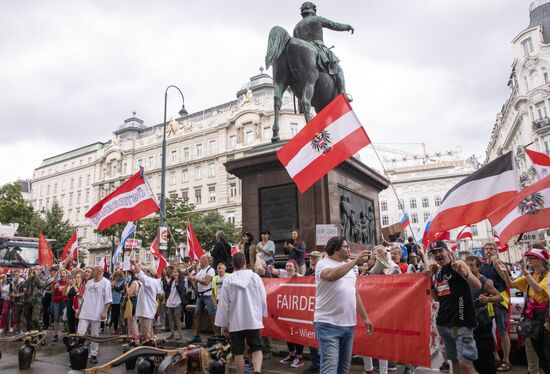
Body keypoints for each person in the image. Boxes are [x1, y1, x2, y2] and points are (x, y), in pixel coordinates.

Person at [314, 236, 373, 374]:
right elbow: (331, 276)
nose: (349, 249)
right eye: (346, 246)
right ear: (336, 248)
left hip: (348, 325)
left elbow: (355, 293)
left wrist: (365, 318)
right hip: (328, 324)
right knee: (330, 368)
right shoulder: (323, 263)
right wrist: (354, 262)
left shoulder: (348, 266)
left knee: (343, 369)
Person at [426, 241, 481, 374]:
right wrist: (431, 281)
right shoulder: (438, 272)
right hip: (447, 325)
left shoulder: (458, 264)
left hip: (461, 323)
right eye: (434, 253)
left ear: (447, 251)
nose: (437, 254)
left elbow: (477, 285)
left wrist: (464, 273)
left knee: (466, 363)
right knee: (455, 361)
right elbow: (437, 298)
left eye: (440, 251)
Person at [497, 245, 549, 374]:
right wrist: (504, 272)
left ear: (542, 259)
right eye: (528, 257)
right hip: (531, 319)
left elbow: (538, 289)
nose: (529, 260)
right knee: (530, 346)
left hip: (545, 320)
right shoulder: (530, 275)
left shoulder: (547, 275)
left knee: (545, 352)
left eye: (532, 257)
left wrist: (525, 272)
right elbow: (511, 285)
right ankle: (533, 371)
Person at [215, 252, 267, 374]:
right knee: (256, 349)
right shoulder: (255, 277)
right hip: (252, 320)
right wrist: (261, 316)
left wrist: (223, 324)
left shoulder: (228, 281)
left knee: (237, 352)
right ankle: (257, 370)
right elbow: (263, 298)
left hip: (235, 321)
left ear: (233, 264)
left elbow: (223, 304)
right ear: (245, 262)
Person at [293, 2, 354, 99]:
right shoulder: (316, 19)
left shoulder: (296, 27)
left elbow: (296, 44)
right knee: (338, 69)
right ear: (313, 10)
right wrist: (347, 27)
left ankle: (301, 101)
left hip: (303, 54)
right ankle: (343, 94)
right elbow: (333, 25)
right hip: (318, 47)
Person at [465, 255, 502, 374]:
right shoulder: (463, 279)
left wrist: (487, 299)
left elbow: (499, 297)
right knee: (473, 354)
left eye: (472, 265)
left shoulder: (484, 281)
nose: (469, 268)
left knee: (485, 353)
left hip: (482, 322)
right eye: (467, 265)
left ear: (478, 267)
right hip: (468, 322)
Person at [480, 242, 512, 372]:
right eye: (486, 249)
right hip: (487, 300)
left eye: (491, 249)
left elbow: (508, 280)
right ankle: (495, 355)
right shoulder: (481, 266)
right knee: (488, 330)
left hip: (499, 299)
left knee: (502, 330)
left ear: (496, 251)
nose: (488, 251)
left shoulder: (500, 264)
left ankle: (506, 360)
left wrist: (497, 265)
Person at [76, 265, 112, 365]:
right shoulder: (89, 282)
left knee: (95, 335)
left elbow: (108, 299)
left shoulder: (106, 283)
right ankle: (79, 353)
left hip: (97, 313)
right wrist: (79, 310)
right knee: (80, 333)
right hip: (85, 312)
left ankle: (93, 354)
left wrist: (104, 312)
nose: (92, 272)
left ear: (101, 272)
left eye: (95, 270)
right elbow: (84, 298)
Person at [187, 254, 216, 343]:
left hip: (208, 295)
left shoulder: (210, 270)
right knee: (197, 315)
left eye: (202, 259)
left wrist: (195, 279)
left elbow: (206, 282)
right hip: (200, 295)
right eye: (200, 258)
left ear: (207, 260)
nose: (200, 260)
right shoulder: (200, 271)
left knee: (212, 315)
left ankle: (216, 335)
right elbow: (196, 283)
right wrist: (191, 280)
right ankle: (196, 335)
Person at [132, 261, 164, 341]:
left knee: (146, 336)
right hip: (147, 311)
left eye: (145, 271)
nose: (144, 272)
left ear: (149, 273)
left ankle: (147, 351)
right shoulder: (155, 282)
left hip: (146, 311)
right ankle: (151, 350)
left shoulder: (150, 281)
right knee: (149, 334)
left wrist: (134, 263)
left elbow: (139, 272)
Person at [303, 251, 322, 374]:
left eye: (315, 258)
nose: (312, 260)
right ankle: (316, 363)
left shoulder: (323, 271)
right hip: (310, 308)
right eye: (311, 258)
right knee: (311, 337)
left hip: (321, 309)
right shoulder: (309, 271)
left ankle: (321, 364)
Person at [23, 265, 48, 332]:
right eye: (34, 269)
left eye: (37, 269)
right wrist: (30, 276)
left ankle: (40, 334)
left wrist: (36, 275)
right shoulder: (30, 277)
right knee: (28, 320)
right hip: (28, 300)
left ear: (41, 270)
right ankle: (31, 335)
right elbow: (25, 285)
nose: (35, 271)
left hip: (37, 300)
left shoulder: (44, 278)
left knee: (35, 319)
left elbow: (41, 284)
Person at [165, 269, 186, 340]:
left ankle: (180, 334)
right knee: (170, 318)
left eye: (175, 272)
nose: (174, 273)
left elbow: (181, 291)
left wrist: (177, 283)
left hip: (177, 301)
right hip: (170, 301)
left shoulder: (182, 281)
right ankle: (172, 333)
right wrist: (167, 284)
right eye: (174, 272)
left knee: (177, 318)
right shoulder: (171, 280)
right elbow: (167, 290)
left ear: (179, 274)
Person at [51, 269, 69, 342]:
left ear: (66, 274)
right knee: (56, 318)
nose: (62, 275)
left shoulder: (68, 282)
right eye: (61, 273)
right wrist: (54, 288)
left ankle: (69, 335)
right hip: (56, 302)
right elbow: (52, 293)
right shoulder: (56, 282)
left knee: (66, 319)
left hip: (65, 301)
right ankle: (55, 335)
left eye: (64, 273)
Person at [9, 269, 25, 334]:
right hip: (16, 303)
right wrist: (11, 295)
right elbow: (10, 293)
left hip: (23, 302)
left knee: (23, 319)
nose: (16, 275)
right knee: (16, 319)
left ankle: (30, 330)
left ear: (19, 275)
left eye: (17, 274)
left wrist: (16, 295)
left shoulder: (23, 282)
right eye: (14, 274)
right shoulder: (12, 283)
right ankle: (19, 333)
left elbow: (25, 293)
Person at [110, 269, 125, 334]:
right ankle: (115, 329)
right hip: (113, 301)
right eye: (116, 276)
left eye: (119, 276)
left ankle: (121, 329)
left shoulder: (123, 282)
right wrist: (111, 286)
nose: (117, 277)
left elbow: (120, 289)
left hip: (120, 301)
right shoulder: (113, 281)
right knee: (114, 316)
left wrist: (115, 286)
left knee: (120, 316)